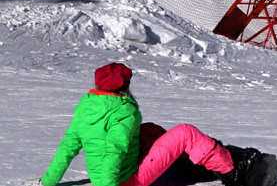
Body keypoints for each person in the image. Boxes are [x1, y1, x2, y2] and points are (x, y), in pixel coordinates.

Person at [39, 62, 262, 186]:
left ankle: (193, 161)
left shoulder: (86, 108)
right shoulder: (123, 112)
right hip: (126, 181)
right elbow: (114, 151)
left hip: (114, 175)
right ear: (123, 86)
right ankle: (232, 172)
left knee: (150, 131)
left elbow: (66, 149)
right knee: (186, 133)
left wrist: (47, 182)